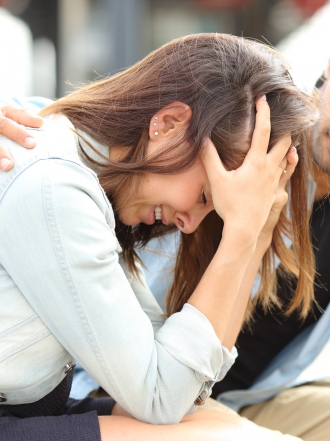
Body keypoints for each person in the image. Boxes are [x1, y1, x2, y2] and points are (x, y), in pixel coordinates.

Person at [0, 34, 317, 440]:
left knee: (220, 424)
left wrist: (256, 232)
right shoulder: (54, 187)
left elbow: (184, 389)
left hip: (30, 413)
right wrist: (240, 232)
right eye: (205, 195)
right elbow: (159, 398)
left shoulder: (91, 181)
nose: (189, 224)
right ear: (167, 124)